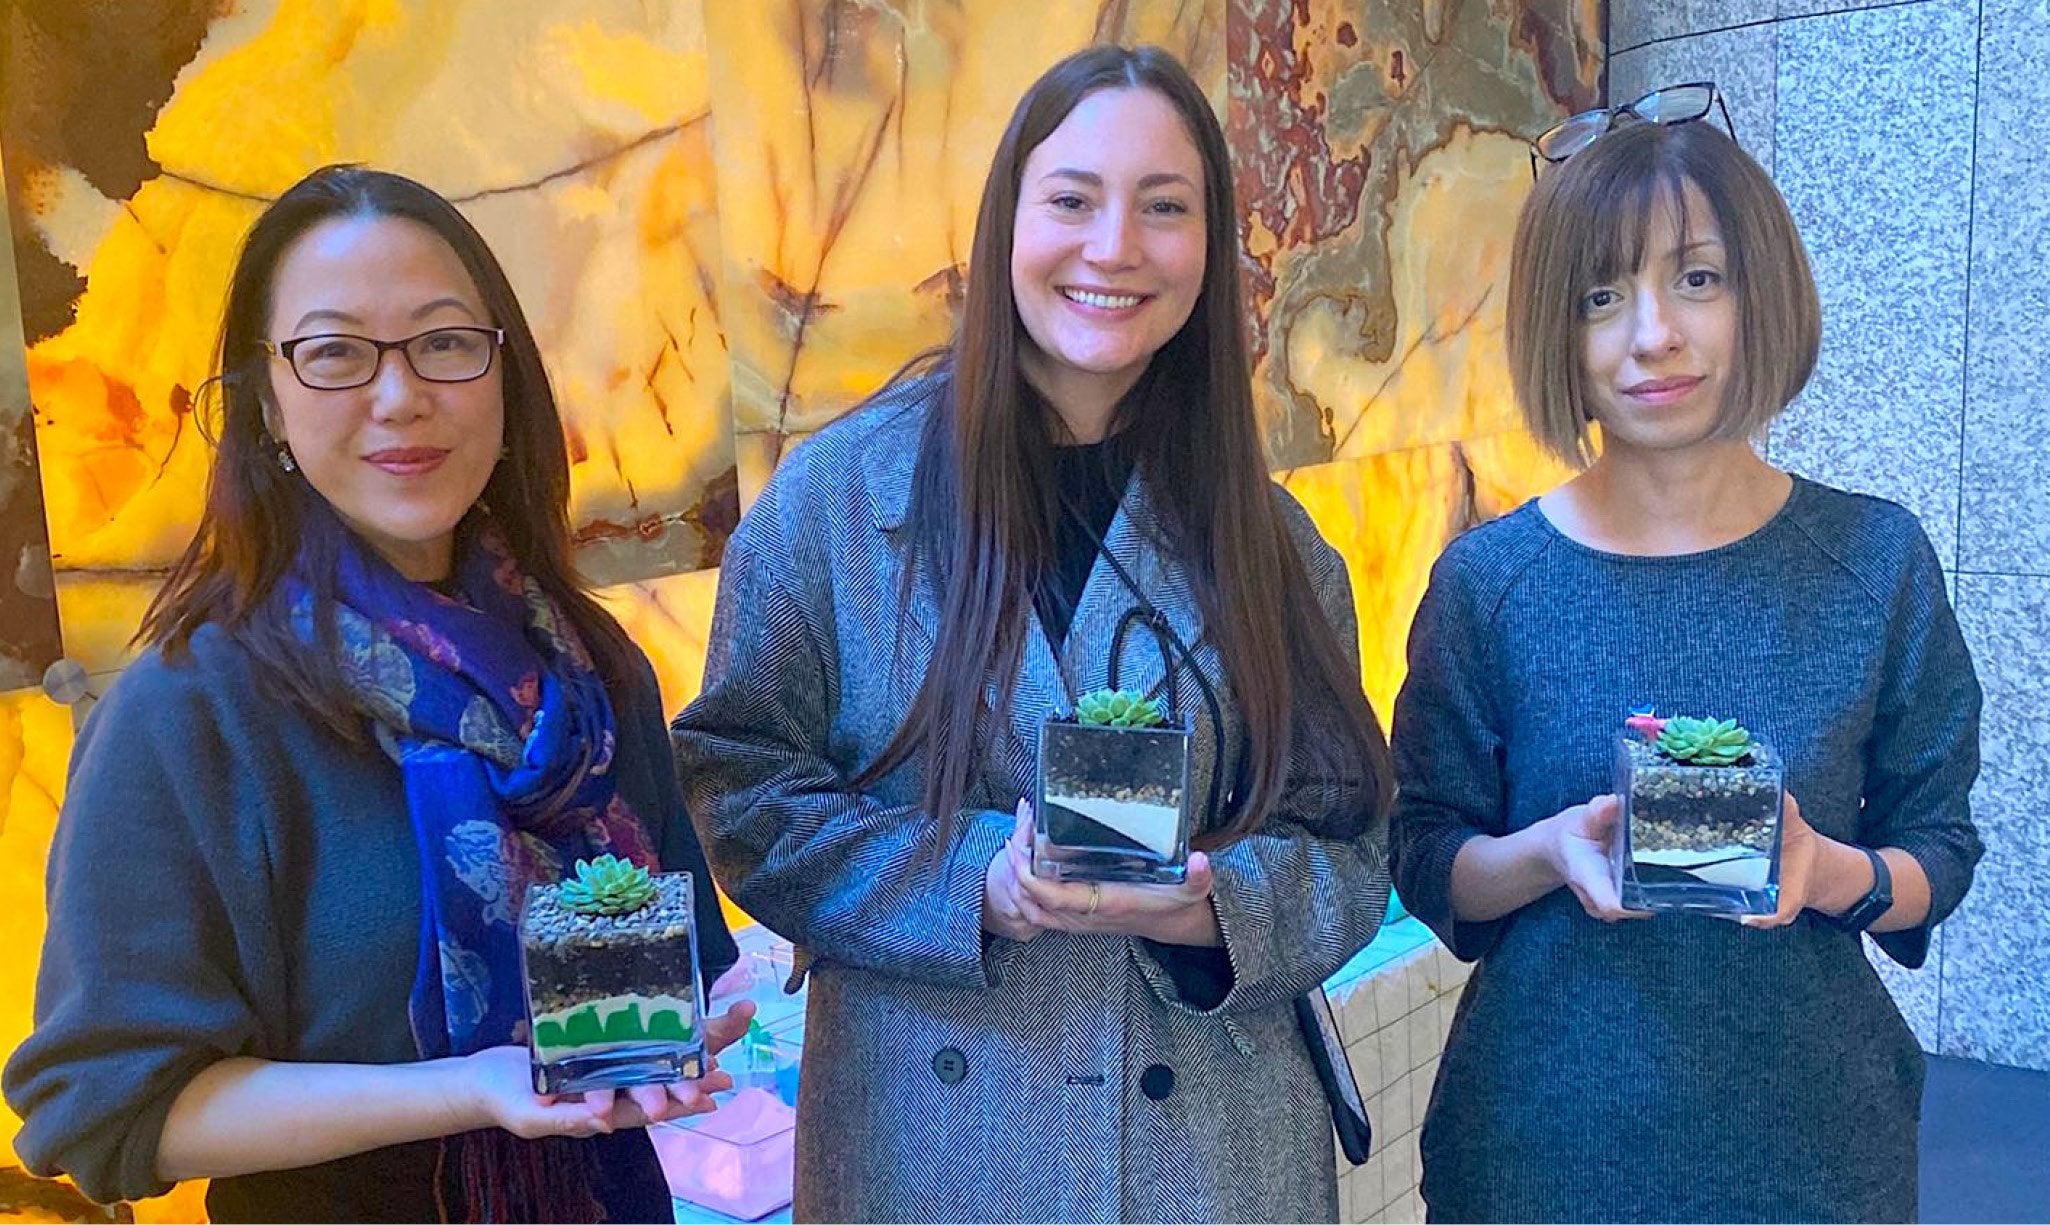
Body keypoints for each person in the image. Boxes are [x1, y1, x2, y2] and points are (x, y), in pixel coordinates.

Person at [673, 43, 1394, 1224]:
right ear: (1006, 219)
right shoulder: (836, 505)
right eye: (1071, 200)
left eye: (1164, 208)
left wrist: (1210, 903)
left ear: (1209, 252)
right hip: (930, 1145)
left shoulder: (1275, 544)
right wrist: (978, 885)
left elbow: (1350, 847)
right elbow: (743, 791)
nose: (1113, 247)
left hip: (1211, 1160)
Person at [3, 166, 751, 1223]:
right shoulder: (193, 712)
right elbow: (105, 1110)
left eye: (444, 342)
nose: (400, 395)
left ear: (503, 379)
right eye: (336, 352)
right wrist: (468, 1089)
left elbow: (681, 956)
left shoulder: (588, 674)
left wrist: (678, 1033)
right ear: (266, 398)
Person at [1389, 90, 1983, 1223]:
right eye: (1600, 296)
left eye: (1695, 278)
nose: (1651, 334)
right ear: (1557, 334)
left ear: (1761, 292)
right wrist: (1547, 850)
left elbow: (1937, 853)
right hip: (1540, 1152)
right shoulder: (1488, 583)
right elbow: (1426, 854)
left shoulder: (1875, 559)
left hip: (1814, 1156)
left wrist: (1827, 873)